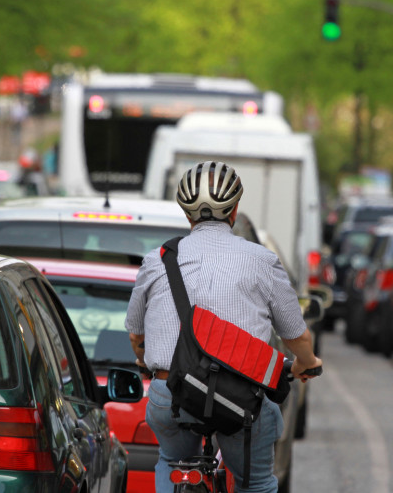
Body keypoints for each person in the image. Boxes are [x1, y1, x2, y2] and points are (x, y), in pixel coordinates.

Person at [125, 160, 322, 493]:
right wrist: (307, 362)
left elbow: (136, 334)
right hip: (239, 400)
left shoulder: (156, 260)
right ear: (234, 211)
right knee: (256, 482)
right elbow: (297, 335)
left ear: (186, 215)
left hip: (169, 393)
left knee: (170, 462)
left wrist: (145, 362)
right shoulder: (262, 260)